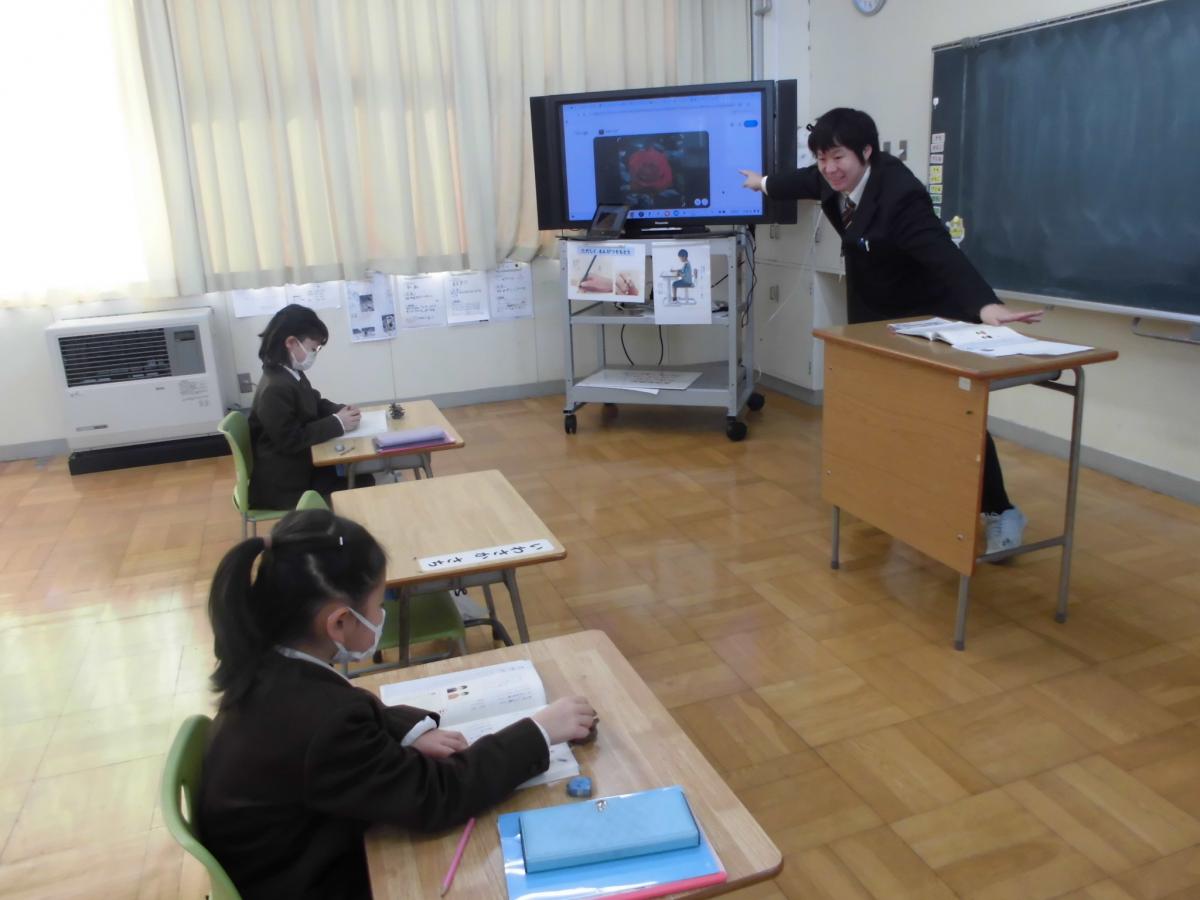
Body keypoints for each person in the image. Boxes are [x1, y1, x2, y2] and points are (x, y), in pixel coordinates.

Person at [197, 509, 597, 900]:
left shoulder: (270, 661)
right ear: (338, 622)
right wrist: (540, 730)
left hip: (291, 856)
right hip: (315, 880)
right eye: (379, 604)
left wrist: (407, 731)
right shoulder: (324, 723)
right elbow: (438, 796)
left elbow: (343, 701)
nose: (381, 615)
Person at [739, 108, 1043, 554]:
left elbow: (941, 253)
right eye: (822, 158)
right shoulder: (828, 177)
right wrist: (762, 183)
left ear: (866, 151)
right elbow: (801, 181)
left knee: (951, 418)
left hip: (924, 316)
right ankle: (892, 497)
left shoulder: (901, 194)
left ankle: (1000, 511)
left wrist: (986, 306)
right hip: (871, 311)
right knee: (877, 412)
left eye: (838, 157)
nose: (829, 168)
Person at [248, 304, 372, 509]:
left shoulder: (288, 373)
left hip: (298, 469)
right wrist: (338, 423)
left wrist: (339, 410)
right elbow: (291, 440)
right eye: (313, 348)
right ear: (291, 342)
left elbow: (315, 402)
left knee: (361, 473)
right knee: (364, 481)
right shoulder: (274, 388)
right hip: (285, 484)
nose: (314, 354)